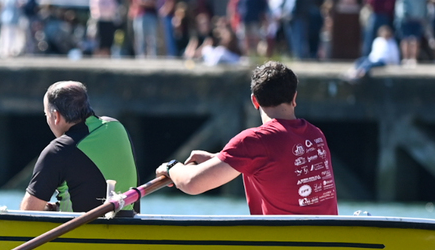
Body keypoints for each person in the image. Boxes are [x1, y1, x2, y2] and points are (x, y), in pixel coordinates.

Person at [156, 61, 337, 215]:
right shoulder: (315, 135)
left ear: (254, 101)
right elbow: (277, 163)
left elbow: (191, 183)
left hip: (284, 244)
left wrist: (171, 167)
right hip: (330, 242)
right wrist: (219, 158)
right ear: (294, 98)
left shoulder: (254, 141)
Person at [21, 81, 137, 214]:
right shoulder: (116, 127)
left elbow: (28, 213)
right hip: (130, 224)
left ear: (56, 116)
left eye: (46, 115)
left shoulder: (57, 151)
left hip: (84, 227)